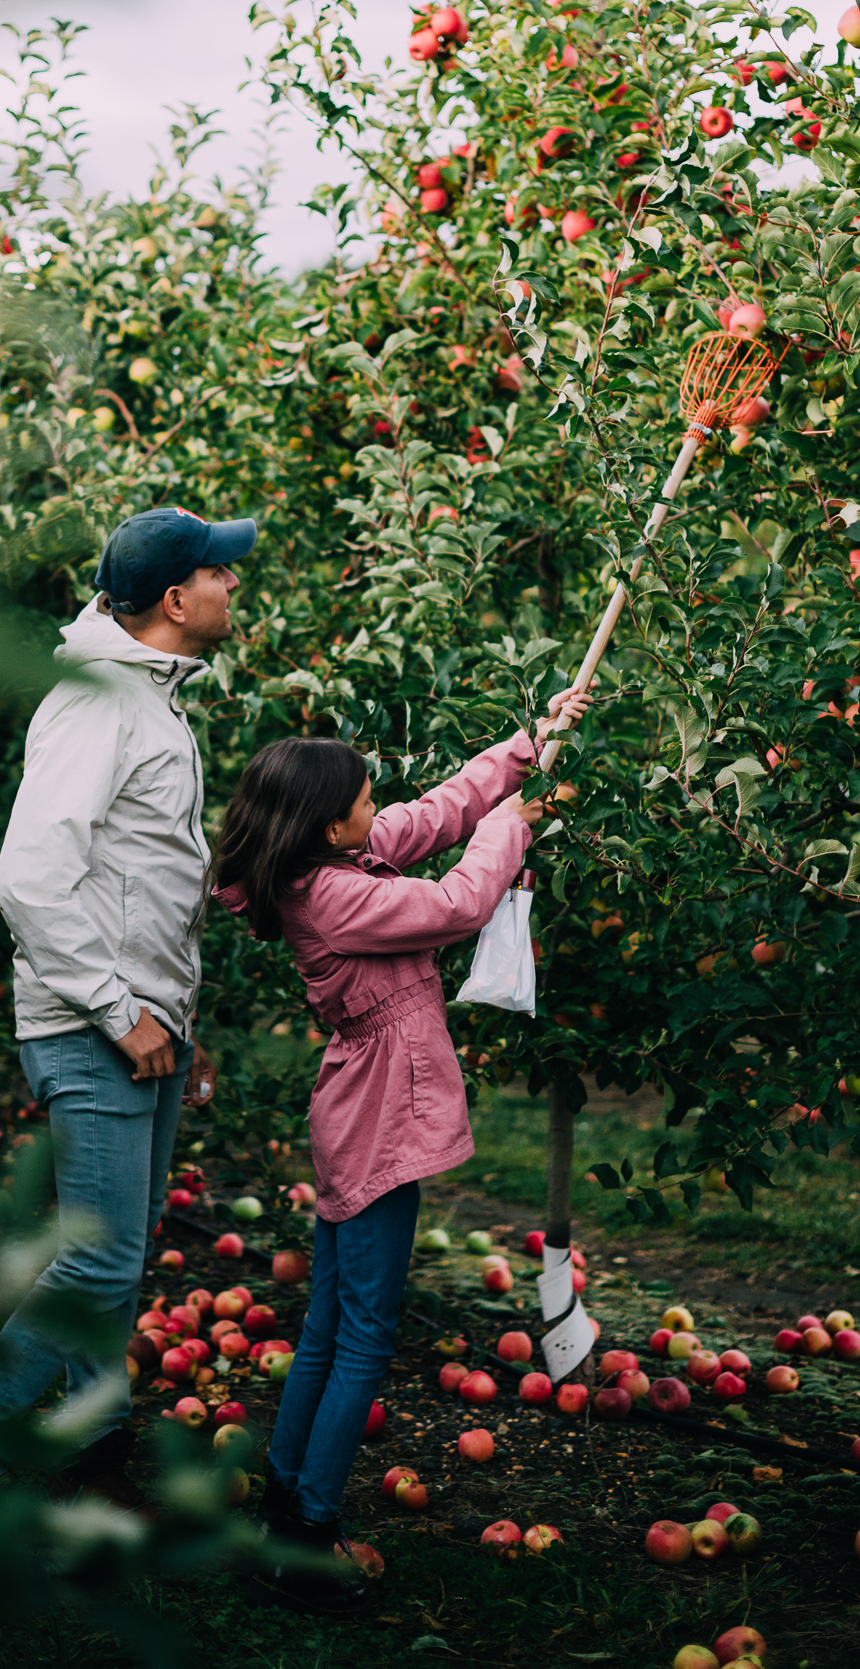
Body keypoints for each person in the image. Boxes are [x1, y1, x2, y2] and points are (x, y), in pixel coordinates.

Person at [212, 685, 591, 1615]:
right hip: (378, 1122)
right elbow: (461, 902)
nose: (378, 810)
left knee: (328, 1326)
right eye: (363, 799)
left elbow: (434, 816)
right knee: (365, 1335)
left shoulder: (328, 860)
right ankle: (306, 1530)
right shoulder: (338, 895)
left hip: (357, 1114)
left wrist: (529, 744)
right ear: (326, 822)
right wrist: (518, 824)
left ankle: (284, 1506)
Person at [0, 505, 256, 1507]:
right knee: (102, 1256)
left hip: (138, 1022)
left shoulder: (143, 699)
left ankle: (96, 1434)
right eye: (219, 572)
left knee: (114, 1258)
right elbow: (29, 880)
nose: (232, 585)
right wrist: (122, 1010)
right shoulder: (99, 705)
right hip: (95, 1026)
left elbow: (140, 879)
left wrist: (172, 1015)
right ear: (174, 598)